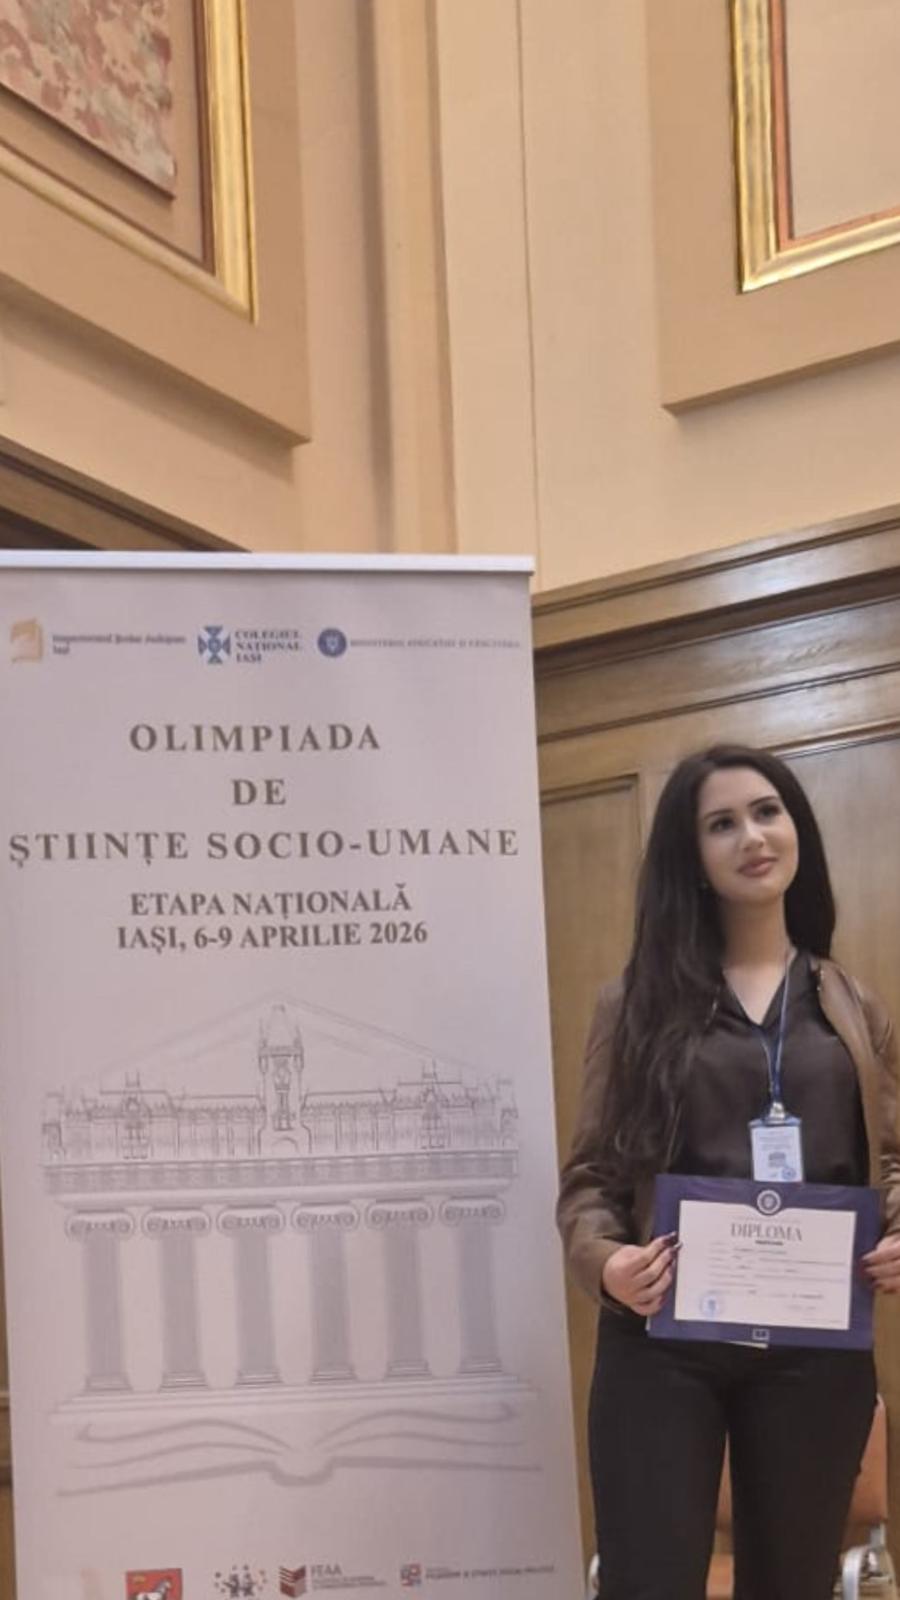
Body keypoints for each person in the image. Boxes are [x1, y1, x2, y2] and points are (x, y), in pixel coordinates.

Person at [557, 744, 900, 1600]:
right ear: (693, 857)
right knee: (649, 1581)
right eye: (722, 823)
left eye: (767, 811)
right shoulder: (634, 1005)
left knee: (793, 1584)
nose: (752, 836)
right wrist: (608, 1264)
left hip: (813, 1344)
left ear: (796, 829)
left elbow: (892, 1160)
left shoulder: (853, 1006)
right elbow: (591, 1178)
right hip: (664, 1343)